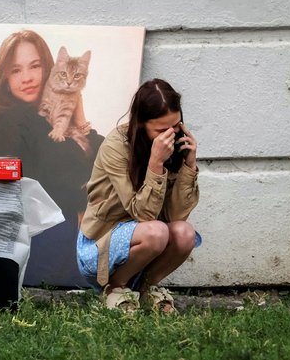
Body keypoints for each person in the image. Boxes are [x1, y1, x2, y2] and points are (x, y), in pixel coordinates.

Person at [0, 29, 103, 287]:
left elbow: (103, 160)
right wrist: (84, 202)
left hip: (65, 229)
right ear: (4, 77)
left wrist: (79, 119)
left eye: (34, 66)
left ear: (49, 67)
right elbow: (47, 183)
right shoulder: (13, 122)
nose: (26, 78)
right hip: (43, 237)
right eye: (16, 70)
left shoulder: (42, 116)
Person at [77, 78, 199, 312]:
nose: (171, 135)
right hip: (101, 245)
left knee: (185, 233)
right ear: (141, 124)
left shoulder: (174, 147)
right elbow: (144, 214)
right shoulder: (116, 145)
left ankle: (146, 289)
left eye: (176, 126)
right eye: (162, 130)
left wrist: (188, 166)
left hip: (147, 239)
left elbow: (177, 216)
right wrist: (155, 164)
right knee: (156, 231)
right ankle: (114, 288)